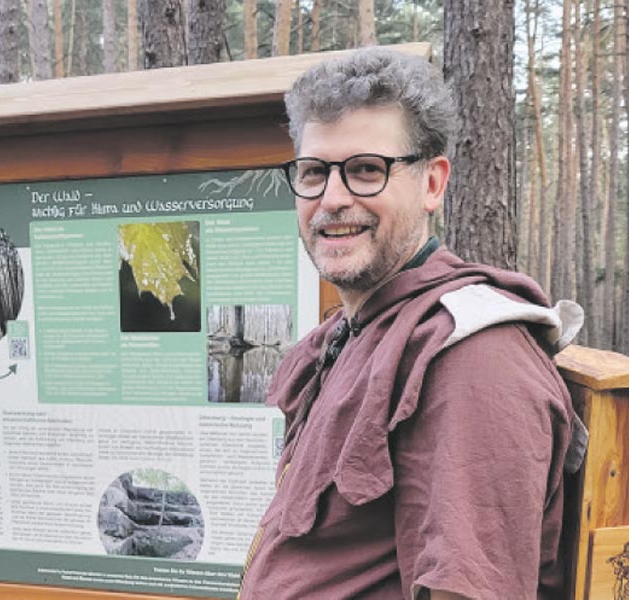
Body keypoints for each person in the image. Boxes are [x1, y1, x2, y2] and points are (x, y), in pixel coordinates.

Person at [237, 47, 584, 600]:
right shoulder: (359, 330)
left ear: (432, 184)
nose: (332, 199)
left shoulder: (472, 361)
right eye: (312, 173)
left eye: (366, 171)